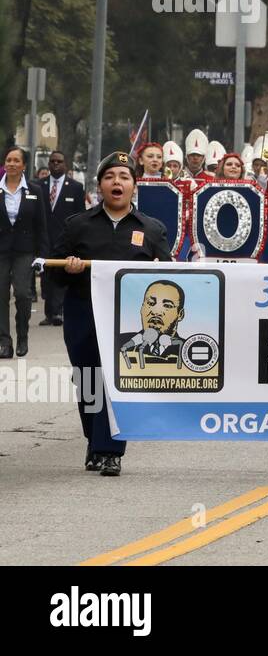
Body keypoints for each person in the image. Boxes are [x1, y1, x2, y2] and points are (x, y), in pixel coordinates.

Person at [49, 151, 172, 476]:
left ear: (134, 186)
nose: (116, 183)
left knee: (115, 380)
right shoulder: (78, 225)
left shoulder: (151, 228)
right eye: (109, 177)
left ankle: (111, 450)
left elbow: (169, 276)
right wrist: (70, 268)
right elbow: (53, 272)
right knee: (88, 379)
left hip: (128, 318)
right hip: (84, 312)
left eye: (124, 177)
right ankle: (95, 441)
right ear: (100, 185)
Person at [1, 147, 49, 358]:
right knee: (0, 295)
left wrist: (42, 255)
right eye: (8, 160)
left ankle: (22, 335)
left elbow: (42, 226)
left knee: (22, 293)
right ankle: (4, 341)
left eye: (16, 160)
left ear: (24, 165)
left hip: (25, 251)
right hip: (1, 251)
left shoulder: (35, 190)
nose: (11, 163)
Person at [38, 149, 84, 327]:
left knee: (61, 275)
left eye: (59, 162)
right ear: (48, 164)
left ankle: (58, 312)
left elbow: (80, 215)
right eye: (52, 161)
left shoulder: (75, 187)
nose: (55, 164)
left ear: (65, 165)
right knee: (46, 277)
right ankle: (49, 313)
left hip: (65, 239)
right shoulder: (38, 186)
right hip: (44, 238)